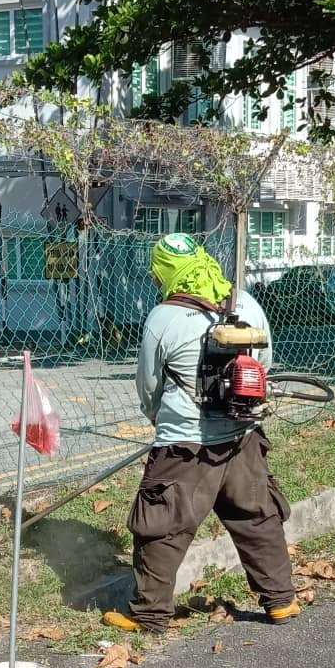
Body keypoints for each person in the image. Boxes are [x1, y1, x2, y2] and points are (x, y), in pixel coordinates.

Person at [103, 232, 299, 635]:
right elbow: (263, 365)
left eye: (158, 272)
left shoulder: (163, 317)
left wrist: (160, 420)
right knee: (256, 517)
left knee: (161, 526)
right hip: (244, 436)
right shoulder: (245, 303)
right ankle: (281, 601)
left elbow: (148, 384)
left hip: (185, 447)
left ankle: (149, 615)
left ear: (167, 271)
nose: (156, 280)